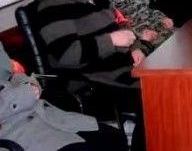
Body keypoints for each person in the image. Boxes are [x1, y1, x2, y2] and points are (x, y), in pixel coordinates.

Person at [29, 0, 146, 151]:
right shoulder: (52, 7)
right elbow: (67, 54)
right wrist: (111, 40)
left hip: (121, 65)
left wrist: (135, 46)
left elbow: (120, 24)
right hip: (90, 78)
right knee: (157, 97)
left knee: (166, 86)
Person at [0, 42, 128, 151]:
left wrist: (25, 88)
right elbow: (26, 88)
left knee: (114, 137)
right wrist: (26, 91)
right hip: (16, 133)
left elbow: (22, 76)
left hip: (45, 116)